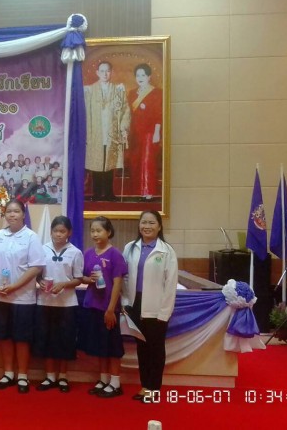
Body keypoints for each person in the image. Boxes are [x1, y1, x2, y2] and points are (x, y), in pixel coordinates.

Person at [0, 199, 46, 394]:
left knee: (21, 338)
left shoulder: (31, 237)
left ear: (23, 214)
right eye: (9, 211)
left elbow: (36, 267)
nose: (12, 215)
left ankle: (22, 375)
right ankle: (8, 373)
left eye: (16, 211)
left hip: (22, 296)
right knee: (3, 336)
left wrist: (15, 286)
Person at [122, 210, 178, 402]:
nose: (147, 226)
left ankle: (154, 390)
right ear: (139, 225)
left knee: (155, 349)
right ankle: (145, 386)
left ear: (159, 226)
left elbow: (170, 284)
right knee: (142, 348)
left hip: (156, 307)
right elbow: (124, 278)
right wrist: (125, 302)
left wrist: (164, 312)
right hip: (135, 305)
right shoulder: (130, 248)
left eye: (152, 223)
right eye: (144, 222)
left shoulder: (166, 251)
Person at [78, 216, 128, 398]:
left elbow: (117, 284)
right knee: (100, 345)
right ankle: (103, 379)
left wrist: (111, 309)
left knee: (112, 347)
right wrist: (88, 279)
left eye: (99, 230)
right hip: (93, 305)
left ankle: (115, 382)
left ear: (109, 232)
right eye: (92, 231)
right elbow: (82, 277)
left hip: (109, 309)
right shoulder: (88, 253)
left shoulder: (115, 254)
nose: (95, 234)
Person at [33, 216, 83, 392]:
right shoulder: (42, 249)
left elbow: (78, 279)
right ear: (51, 232)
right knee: (46, 338)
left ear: (69, 232)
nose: (59, 234)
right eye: (55, 231)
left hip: (67, 303)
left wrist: (63, 284)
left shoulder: (75, 252)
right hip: (45, 301)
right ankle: (49, 376)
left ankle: (62, 376)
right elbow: (37, 273)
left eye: (62, 231)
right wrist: (40, 281)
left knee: (65, 340)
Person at [84, 61, 130, 202]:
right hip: (95, 132)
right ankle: (97, 193)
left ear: (111, 72)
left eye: (107, 71)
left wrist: (123, 128)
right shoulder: (89, 91)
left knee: (110, 163)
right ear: (97, 73)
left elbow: (125, 110)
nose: (105, 74)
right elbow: (84, 113)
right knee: (97, 163)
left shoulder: (118, 90)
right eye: (102, 71)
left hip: (111, 133)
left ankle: (109, 193)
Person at [127, 64, 163, 202]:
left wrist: (157, 132)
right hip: (135, 133)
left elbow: (158, 115)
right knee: (135, 162)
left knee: (147, 162)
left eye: (143, 75)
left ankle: (148, 192)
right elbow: (128, 114)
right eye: (138, 75)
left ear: (149, 77)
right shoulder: (132, 93)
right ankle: (138, 191)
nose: (140, 78)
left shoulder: (157, 93)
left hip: (149, 133)